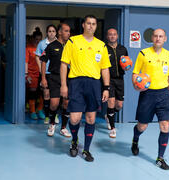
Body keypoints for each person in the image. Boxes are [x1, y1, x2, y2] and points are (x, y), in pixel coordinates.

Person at [60, 15, 111, 162]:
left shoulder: (101, 45)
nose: (91, 26)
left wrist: (106, 88)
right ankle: (75, 140)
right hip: (76, 83)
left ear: (96, 26)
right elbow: (64, 64)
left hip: (94, 84)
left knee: (90, 118)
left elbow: (105, 69)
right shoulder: (73, 41)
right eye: (88, 23)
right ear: (83, 25)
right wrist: (64, 85)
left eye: (94, 24)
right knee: (75, 118)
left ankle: (87, 149)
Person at [131, 28, 169, 170]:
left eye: (161, 36)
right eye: (155, 36)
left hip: (163, 95)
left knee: (165, 126)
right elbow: (135, 73)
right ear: (152, 38)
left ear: (165, 38)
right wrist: (136, 86)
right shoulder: (143, 53)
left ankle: (160, 158)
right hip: (147, 94)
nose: (158, 38)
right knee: (142, 126)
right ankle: (135, 138)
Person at [40, 23, 72, 137]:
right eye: (66, 31)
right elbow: (43, 61)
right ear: (59, 32)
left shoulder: (71, 46)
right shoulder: (51, 46)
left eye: (69, 31)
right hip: (54, 77)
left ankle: (63, 128)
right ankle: (52, 123)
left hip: (68, 78)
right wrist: (43, 78)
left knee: (66, 103)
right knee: (54, 104)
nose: (68, 33)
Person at [105, 28, 128, 138]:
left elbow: (126, 64)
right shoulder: (104, 49)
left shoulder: (123, 49)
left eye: (114, 34)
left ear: (117, 36)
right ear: (107, 36)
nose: (112, 36)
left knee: (119, 105)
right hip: (109, 79)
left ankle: (109, 115)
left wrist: (127, 67)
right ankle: (113, 128)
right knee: (111, 101)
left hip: (120, 79)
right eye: (110, 34)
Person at [35, 25, 59, 124]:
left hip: (57, 74)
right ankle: (47, 116)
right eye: (49, 31)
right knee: (46, 95)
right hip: (46, 73)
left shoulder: (60, 44)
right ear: (47, 33)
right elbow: (37, 56)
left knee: (56, 97)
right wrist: (41, 69)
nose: (51, 33)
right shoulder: (42, 44)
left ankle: (55, 115)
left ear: (56, 32)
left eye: (53, 31)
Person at [25, 29, 43, 120]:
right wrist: (26, 74)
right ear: (33, 39)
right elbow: (26, 62)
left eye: (40, 39)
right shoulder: (28, 48)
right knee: (32, 91)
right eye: (36, 39)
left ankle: (40, 110)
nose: (38, 41)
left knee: (42, 92)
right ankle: (32, 111)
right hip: (32, 73)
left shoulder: (43, 47)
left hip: (42, 73)